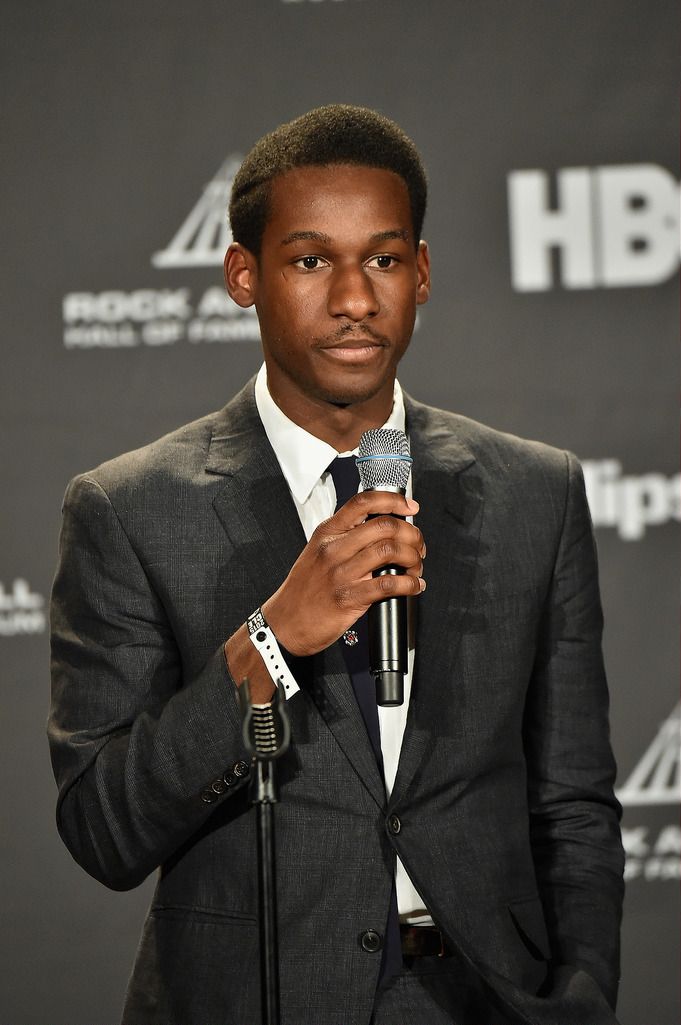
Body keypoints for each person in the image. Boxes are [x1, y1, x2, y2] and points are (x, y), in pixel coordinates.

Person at [49, 105, 624, 1025]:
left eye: (385, 259)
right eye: (312, 260)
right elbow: (103, 829)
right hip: (255, 1000)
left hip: (485, 1000)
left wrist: (583, 994)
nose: (355, 297)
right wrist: (272, 642)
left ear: (423, 272)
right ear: (244, 274)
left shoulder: (534, 491)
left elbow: (574, 803)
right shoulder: (128, 508)